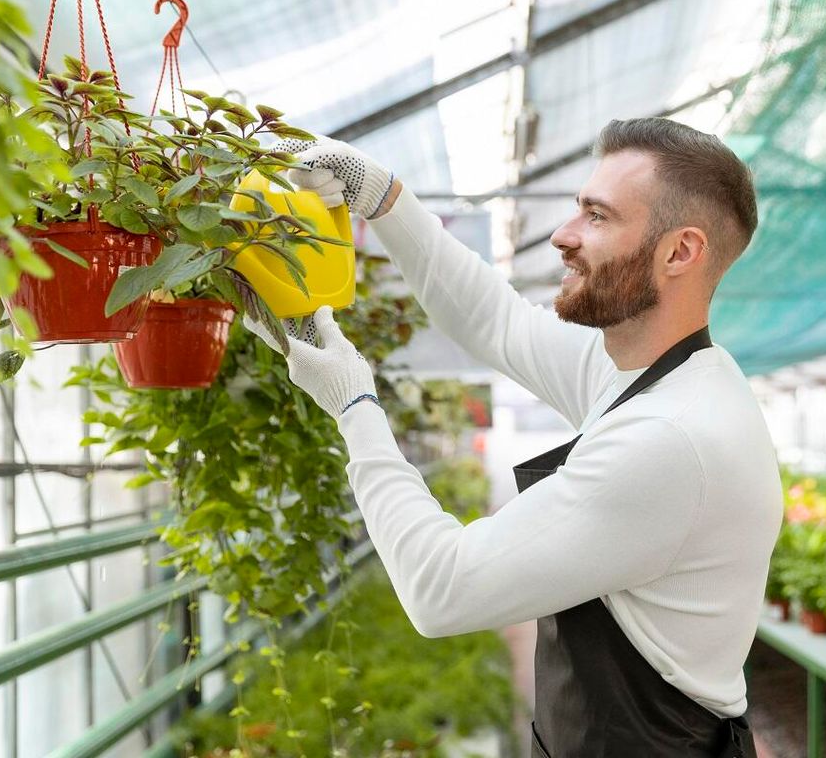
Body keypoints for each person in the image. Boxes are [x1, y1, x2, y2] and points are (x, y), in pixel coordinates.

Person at [246, 118, 784, 758]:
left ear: (679, 252)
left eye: (597, 216)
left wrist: (353, 404)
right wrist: (382, 195)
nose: (563, 235)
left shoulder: (669, 438)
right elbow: (494, 321)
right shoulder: (640, 369)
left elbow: (441, 589)